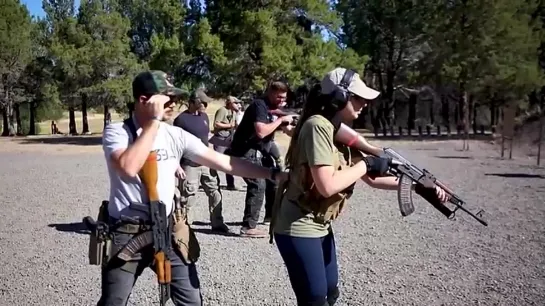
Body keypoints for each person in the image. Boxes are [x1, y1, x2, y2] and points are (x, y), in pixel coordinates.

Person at [99, 70, 284, 306]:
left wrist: (273, 174)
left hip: (166, 229)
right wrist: (153, 123)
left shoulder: (175, 135)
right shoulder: (118, 131)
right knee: (113, 301)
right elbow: (128, 167)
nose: (174, 103)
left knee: (191, 301)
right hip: (126, 232)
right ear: (144, 100)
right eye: (167, 97)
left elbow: (226, 163)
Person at [270, 67, 450, 306]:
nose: (365, 103)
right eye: (358, 97)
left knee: (331, 290)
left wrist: (417, 186)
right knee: (314, 298)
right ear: (338, 97)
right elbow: (327, 185)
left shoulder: (335, 129)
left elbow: (372, 179)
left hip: (320, 222)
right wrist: (367, 163)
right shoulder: (317, 127)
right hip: (298, 224)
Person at [228, 81, 295, 238]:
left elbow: (284, 126)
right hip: (245, 150)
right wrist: (279, 121)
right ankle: (248, 227)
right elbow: (261, 132)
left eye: (283, 97)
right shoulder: (260, 105)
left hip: (260, 151)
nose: (281, 100)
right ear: (270, 93)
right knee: (258, 184)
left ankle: (270, 217)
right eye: (278, 96)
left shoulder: (273, 109)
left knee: (274, 179)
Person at [173, 89, 231, 233]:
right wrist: (177, 166)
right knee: (188, 195)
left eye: (206, 102)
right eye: (202, 102)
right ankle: (185, 226)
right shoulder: (181, 120)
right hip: (189, 164)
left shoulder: (204, 116)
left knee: (215, 191)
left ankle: (217, 222)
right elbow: (175, 144)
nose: (205, 104)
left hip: (206, 162)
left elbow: (205, 138)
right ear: (192, 102)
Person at [212, 96, 242, 190]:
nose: (237, 105)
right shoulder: (222, 110)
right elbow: (216, 124)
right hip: (220, 138)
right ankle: (212, 183)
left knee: (229, 161)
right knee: (216, 161)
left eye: (238, 103)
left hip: (229, 138)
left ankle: (230, 184)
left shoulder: (233, 112)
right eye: (235, 103)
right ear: (229, 103)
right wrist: (229, 125)